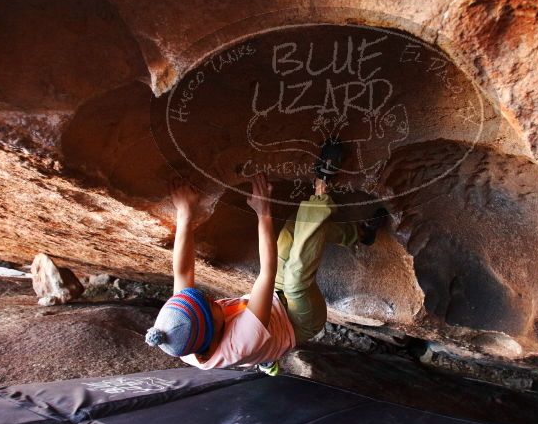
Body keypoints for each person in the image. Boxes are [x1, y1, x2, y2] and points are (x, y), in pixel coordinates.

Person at [144, 141, 386, 374]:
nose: (211, 299)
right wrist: (263, 211)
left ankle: (361, 234)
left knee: (291, 233)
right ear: (214, 331)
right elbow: (267, 272)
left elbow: (183, 272)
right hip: (297, 323)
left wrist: (185, 213)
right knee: (295, 277)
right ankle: (322, 184)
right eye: (210, 305)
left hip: (272, 307)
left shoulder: (178, 326)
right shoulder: (240, 342)